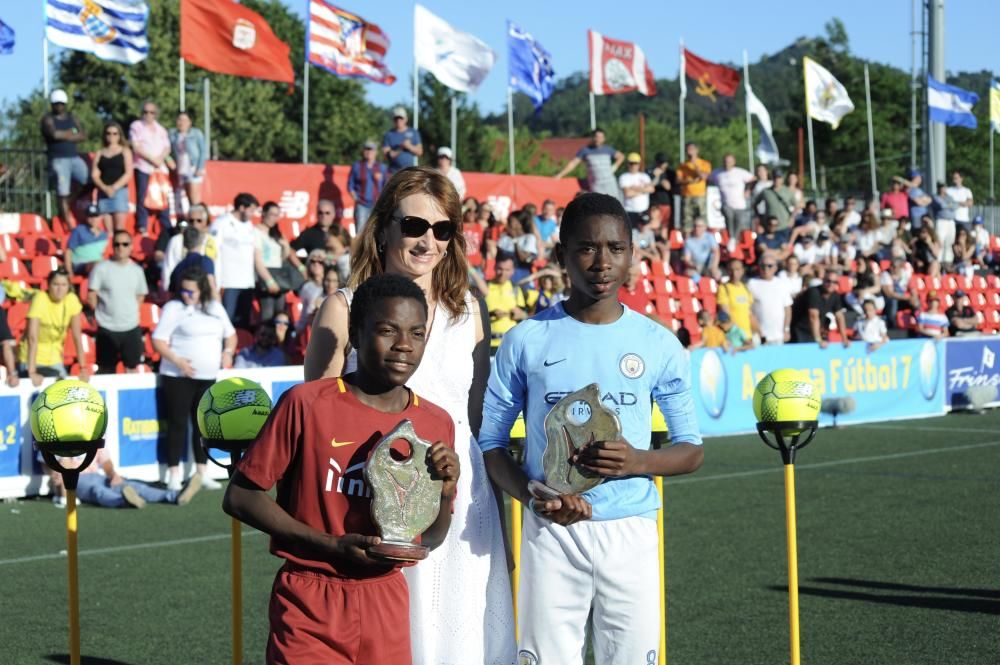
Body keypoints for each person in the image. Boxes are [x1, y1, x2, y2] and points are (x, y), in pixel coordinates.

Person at [478, 192, 703, 665]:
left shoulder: (658, 343)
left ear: (632, 255)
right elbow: (493, 448)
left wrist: (639, 461)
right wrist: (534, 496)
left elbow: (691, 450)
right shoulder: (526, 340)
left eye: (615, 248)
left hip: (631, 530)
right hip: (551, 530)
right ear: (561, 255)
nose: (602, 262)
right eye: (586, 248)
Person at [303, 166, 515, 665]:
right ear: (383, 227)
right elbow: (312, 421)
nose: (427, 241)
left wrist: (500, 517)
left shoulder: (469, 310)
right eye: (414, 226)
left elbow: (478, 420)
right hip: (373, 503)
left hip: (464, 504)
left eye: (443, 230)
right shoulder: (344, 308)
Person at [223, 273, 459, 665]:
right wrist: (329, 545)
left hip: (386, 599)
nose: (404, 345)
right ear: (355, 332)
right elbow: (240, 496)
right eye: (388, 330)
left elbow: (429, 539)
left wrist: (446, 492)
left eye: (417, 333)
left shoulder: (437, 423)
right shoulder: (307, 403)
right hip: (310, 596)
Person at [151, 268, 237, 491]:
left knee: (203, 425)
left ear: (202, 290)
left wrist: (228, 352)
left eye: (191, 291)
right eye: (183, 290)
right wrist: (178, 361)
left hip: (207, 376)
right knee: (178, 423)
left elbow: (231, 334)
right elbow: (158, 340)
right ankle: (173, 473)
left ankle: (201, 472)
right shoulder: (173, 308)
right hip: (178, 376)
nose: (186, 294)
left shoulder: (215, 308)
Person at [48, 447, 201, 509]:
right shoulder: (55, 438)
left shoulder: (90, 434)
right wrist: (61, 488)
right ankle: (123, 501)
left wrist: (113, 475)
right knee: (97, 490)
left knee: (130, 485)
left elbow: (105, 461)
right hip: (75, 479)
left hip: (96, 475)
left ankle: (175, 496)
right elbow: (50, 467)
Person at [87, 230, 148, 375]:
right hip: (107, 328)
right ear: (112, 246)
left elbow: (141, 295)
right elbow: (91, 294)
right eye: (117, 244)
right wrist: (101, 315)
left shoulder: (137, 271)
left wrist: (129, 311)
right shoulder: (101, 269)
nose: (121, 247)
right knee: (106, 370)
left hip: (131, 327)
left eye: (125, 244)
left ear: (131, 246)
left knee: (132, 368)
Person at [18, 268, 87, 384]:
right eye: (55, 284)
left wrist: (83, 368)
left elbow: (77, 337)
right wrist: (32, 371)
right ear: (48, 285)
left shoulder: (72, 300)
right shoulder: (40, 299)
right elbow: (32, 338)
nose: (59, 289)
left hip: (54, 359)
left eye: (64, 285)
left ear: (68, 287)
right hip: (31, 359)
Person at [40, 89, 88, 230]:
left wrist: (66, 134)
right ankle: (67, 223)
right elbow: (53, 134)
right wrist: (71, 133)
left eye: (61, 104)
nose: (59, 106)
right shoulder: (48, 119)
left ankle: (68, 203)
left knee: (87, 181)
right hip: (58, 159)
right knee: (62, 191)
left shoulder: (72, 118)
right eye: (56, 104)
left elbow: (82, 134)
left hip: (73, 157)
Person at [212, 193, 259, 329]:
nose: (253, 214)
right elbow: (212, 252)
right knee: (227, 321)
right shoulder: (221, 223)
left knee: (243, 323)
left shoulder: (249, 225)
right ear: (242, 208)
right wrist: (216, 280)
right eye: (251, 210)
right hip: (228, 282)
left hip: (247, 283)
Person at [129, 100, 173, 235]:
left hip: (160, 169)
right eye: (146, 112)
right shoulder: (136, 126)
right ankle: (142, 225)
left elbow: (167, 147)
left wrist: (159, 159)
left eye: (152, 112)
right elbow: (136, 147)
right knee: (143, 197)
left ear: (156, 114)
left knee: (163, 197)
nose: (148, 115)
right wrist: (151, 159)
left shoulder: (161, 129)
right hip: (144, 167)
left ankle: (166, 225)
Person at [255, 201, 303, 323]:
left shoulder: (275, 233)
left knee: (280, 314)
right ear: (264, 213)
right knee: (267, 314)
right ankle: (265, 340)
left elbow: (281, 258)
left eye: (277, 215)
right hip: (265, 275)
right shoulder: (256, 232)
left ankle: (279, 340)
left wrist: (285, 246)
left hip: (279, 276)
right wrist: (269, 281)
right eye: (272, 214)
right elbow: (257, 260)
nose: (274, 218)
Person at [555, 127, 624, 200]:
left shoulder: (608, 149)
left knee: (614, 204)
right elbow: (573, 163)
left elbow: (621, 156)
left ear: (604, 138)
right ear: (593, 137)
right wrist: (560, 175)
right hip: (596, 185)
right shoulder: (585, 151)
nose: (598, 139)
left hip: (610, 183)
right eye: (596, 137)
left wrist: (614, 167)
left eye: (600, 137)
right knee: (598, 205)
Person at [161, 204, 217, 293]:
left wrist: (215, 290)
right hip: (181, 291)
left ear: (205, 222)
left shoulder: (212, 241)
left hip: (204, 293)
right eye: (191, 221)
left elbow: (217, 267)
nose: (195, 224)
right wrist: (167, 290)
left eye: (199, 220)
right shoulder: (176, 240)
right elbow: (168, 267)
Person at [789, 270, 850, 347]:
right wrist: (818, 339)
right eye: (828, 281)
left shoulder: (835, 295)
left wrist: (844, 338)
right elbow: (813, 316)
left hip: (814, 330)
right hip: (799, 330)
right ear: (823, 280)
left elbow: (839, 317)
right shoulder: (814, 292)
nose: (831, 284)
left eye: (834, 282)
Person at [91, 121, 133, 231]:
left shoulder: (125, 151)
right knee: (108, 231)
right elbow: (95, 174)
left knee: (119, 229)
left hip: (119, 192)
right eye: (108, 133)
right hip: (103, 193)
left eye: (115, 133)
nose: (111, 136)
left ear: (119, 135)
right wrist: (105, 188)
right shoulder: (100, 153)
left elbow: (128, 173)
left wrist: (114, 188)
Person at [168, 110, 207, 214]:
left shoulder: (196, 133)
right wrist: (169, 160)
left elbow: (203, 150)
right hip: (181, 168)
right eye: (180, 119)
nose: (182, 122)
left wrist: (200, 167)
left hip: (193, 167)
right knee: (186, 197)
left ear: (190, 122)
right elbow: (167, 150)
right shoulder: (173, 135)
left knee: (194, 197)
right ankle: (191, 219)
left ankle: (198, 218)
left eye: (185, 120)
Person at [748, 254, 792, 344]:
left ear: (776, 268)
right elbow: (749, 310)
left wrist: (786, 329)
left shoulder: (782, 284)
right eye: (763, 266)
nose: (766, 269)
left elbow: (787, 308)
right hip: (758, 336)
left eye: (770, 266)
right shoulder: (751, 284)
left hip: (778, 336)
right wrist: (757, 331)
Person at [486, 255, 529, 346]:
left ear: (513, 271)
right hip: (489, 344)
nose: (503, 273)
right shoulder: (484, 287)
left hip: (511, 343)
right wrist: (490, 314)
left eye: (507, 270)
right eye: (500, 269)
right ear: (494, 267)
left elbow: (525, 315)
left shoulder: (515, 288)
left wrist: (521, 314)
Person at [348, 142, 388, 235]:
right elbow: (350, 185)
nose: (369, 152)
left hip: (377, 205)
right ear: (363, 151)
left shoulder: (382, 167)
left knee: (377, 231)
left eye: (371, 149)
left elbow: (387, 186)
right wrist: (355, 197)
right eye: (367, 149)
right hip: (362, 204)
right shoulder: (357, 166)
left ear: (375, 152)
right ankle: (360, 249)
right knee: (360, 231)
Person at [168, 225, 217, 295]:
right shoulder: (205, 261)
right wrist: (217, 305)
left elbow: (172, 294)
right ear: (201, 242)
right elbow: (211, 287)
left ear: (184, 244)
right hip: (202, 303)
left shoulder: (178, 267)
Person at [717, 258, 756, 341]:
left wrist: (759, 333)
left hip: (748, 336)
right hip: (734, 337)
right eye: (731, 270)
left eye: (737, 269)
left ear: (742, 270)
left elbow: (749, 314)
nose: (734, 273)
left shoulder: (745, 288)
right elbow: (726, 316)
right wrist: (738, 334)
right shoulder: (723, 288)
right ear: (727, 271)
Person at [65, 204, 109, 278]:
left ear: (100, 217)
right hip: (80, 265)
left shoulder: (104, 235)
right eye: (90, 216)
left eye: (96, 216)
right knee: (98, 265)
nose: (93, 219)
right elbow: (68, 252)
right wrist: (69, 271)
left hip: (98, 265)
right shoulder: (78, 231)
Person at [675, 142, 712, 231]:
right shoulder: (682, 165)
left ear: (697, 151)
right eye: (687, 150)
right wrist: (689, 181)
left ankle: (703, 239)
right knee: (687, 221)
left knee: (701, 219)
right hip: (687, 195)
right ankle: (688, 242)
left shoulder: (704, 163)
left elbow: (704, 177)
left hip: (700, 195)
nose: (689, 152)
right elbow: (678, 180)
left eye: (691, 149)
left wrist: (695, 166)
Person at [716, 153, 754, 238]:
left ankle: (734, 240)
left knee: (738, 224)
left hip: (739, 204)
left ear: (734, 162)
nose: (727, 163)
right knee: (728, 217)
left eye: (729, 161)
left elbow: (753, 179)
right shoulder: (718, 172)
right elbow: (708, 178)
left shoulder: (740, 172)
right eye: (726, 161)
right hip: (726, 204)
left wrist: (748, 189)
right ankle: (731, 238)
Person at [497, 211, 539, 283]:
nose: (509, 222)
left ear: (520, 224)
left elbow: (523, 258)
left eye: (511, 220)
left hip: (521, 276)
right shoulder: (504, 238)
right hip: (504, 276)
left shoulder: (529, 238)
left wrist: (515, 241)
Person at [383, 106, 423, 174]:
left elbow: (420, 152)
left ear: (406, 119)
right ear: (393, 120)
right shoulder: (389, 134)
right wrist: (401, 147)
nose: (399, 120)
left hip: (411, 171)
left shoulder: (414, 132)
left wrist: (409, 146)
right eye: (396, 118)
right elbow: (386, 155)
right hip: (394, 172)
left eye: (401, 118)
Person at [296, 249, 328, 334]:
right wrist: (299, 329)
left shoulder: (334, 283)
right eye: (313, 261)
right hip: (310, 328)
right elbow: (303, 312)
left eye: (320, 262)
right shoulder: (306, 287)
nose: (316, 264)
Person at [618, 152, 654, 228]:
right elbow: (628, 194)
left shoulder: (644, 176)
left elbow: (652, 189)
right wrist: (644, 190)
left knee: (644, 233)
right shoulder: (624, 177)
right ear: (628, 164)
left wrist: (635, 189)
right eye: (631, 163)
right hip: (630, 211)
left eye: (635, 163)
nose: (633, 165)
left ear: (639, 164)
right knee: (632, 234)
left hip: (644, 210)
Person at [880, 257, 915, 328]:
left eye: (894, 267)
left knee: (916, 301)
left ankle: (917, 322)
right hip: (891, 298)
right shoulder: (885, 275)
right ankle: (892, 324)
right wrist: (907, 298)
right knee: (893, 301)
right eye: (891, 266)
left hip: (903, 296)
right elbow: (889, 293)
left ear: (900, 267)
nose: (891, 268)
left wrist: (913, 296)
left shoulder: (905, 273)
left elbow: (912, 287)